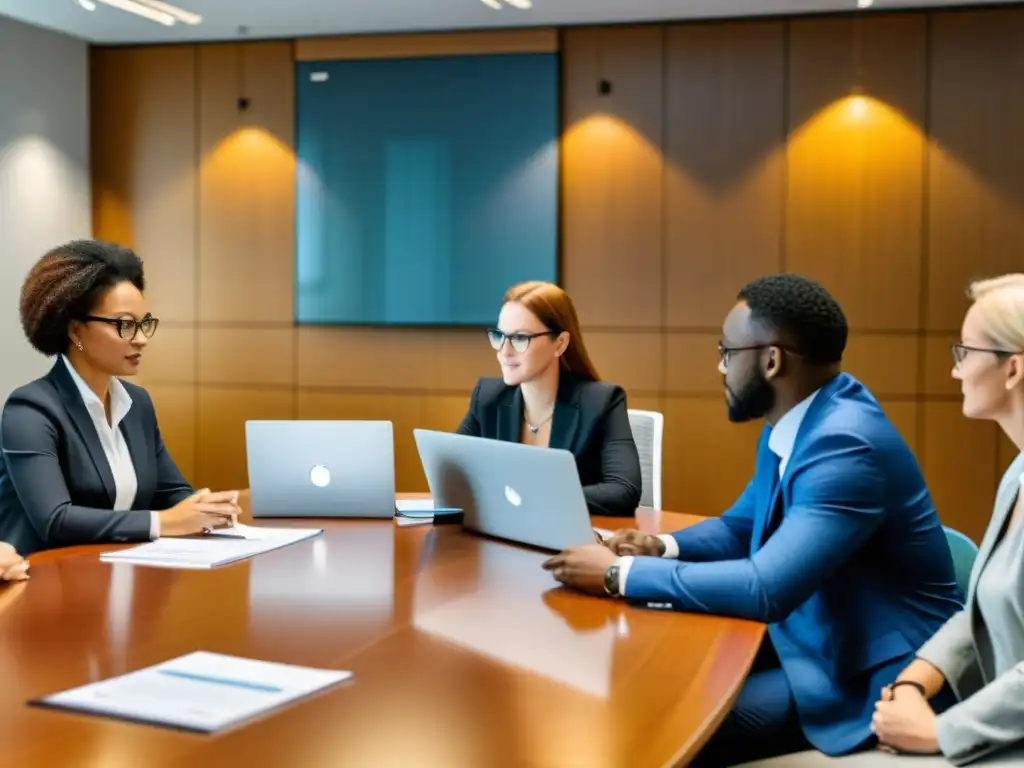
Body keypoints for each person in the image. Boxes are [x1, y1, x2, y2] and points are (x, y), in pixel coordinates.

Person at [541, 274, 963, 765]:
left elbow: (766, 588)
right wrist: (658, 547)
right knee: (650, 682)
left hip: (867, 675)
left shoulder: (846, 445)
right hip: (810, 637)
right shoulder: (800, 418)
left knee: (664, 721)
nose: (720, 367)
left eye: (727, 351)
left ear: (771, 360)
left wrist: (617, 575)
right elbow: (741, 527)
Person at [865, 275, 1024, 766]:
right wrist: (914, 681)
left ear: (1013, 368)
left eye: (965, 353)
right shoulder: (1018, 471)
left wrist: (940, 731)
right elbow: (979, 607)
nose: (955, 371)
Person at [0, 240, 240, 556]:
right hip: (44, 585)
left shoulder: (136, 403)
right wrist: (163, 523)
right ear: (75, 331)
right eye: (125, 325)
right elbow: (55, 520)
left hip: (115, 574)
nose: (141, 339)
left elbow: (171, 491)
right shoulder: (30, 410)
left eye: (144, 324)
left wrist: (205, 508)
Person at [457, 281, 642, 517]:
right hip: (502, 535)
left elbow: (623, 491)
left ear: (560, 343)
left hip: (570, 543)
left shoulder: (602, 402)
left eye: (520, 338)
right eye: (500, 336)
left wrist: (533, 496)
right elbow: (452, 473)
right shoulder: (488, 398)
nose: (504, 351)